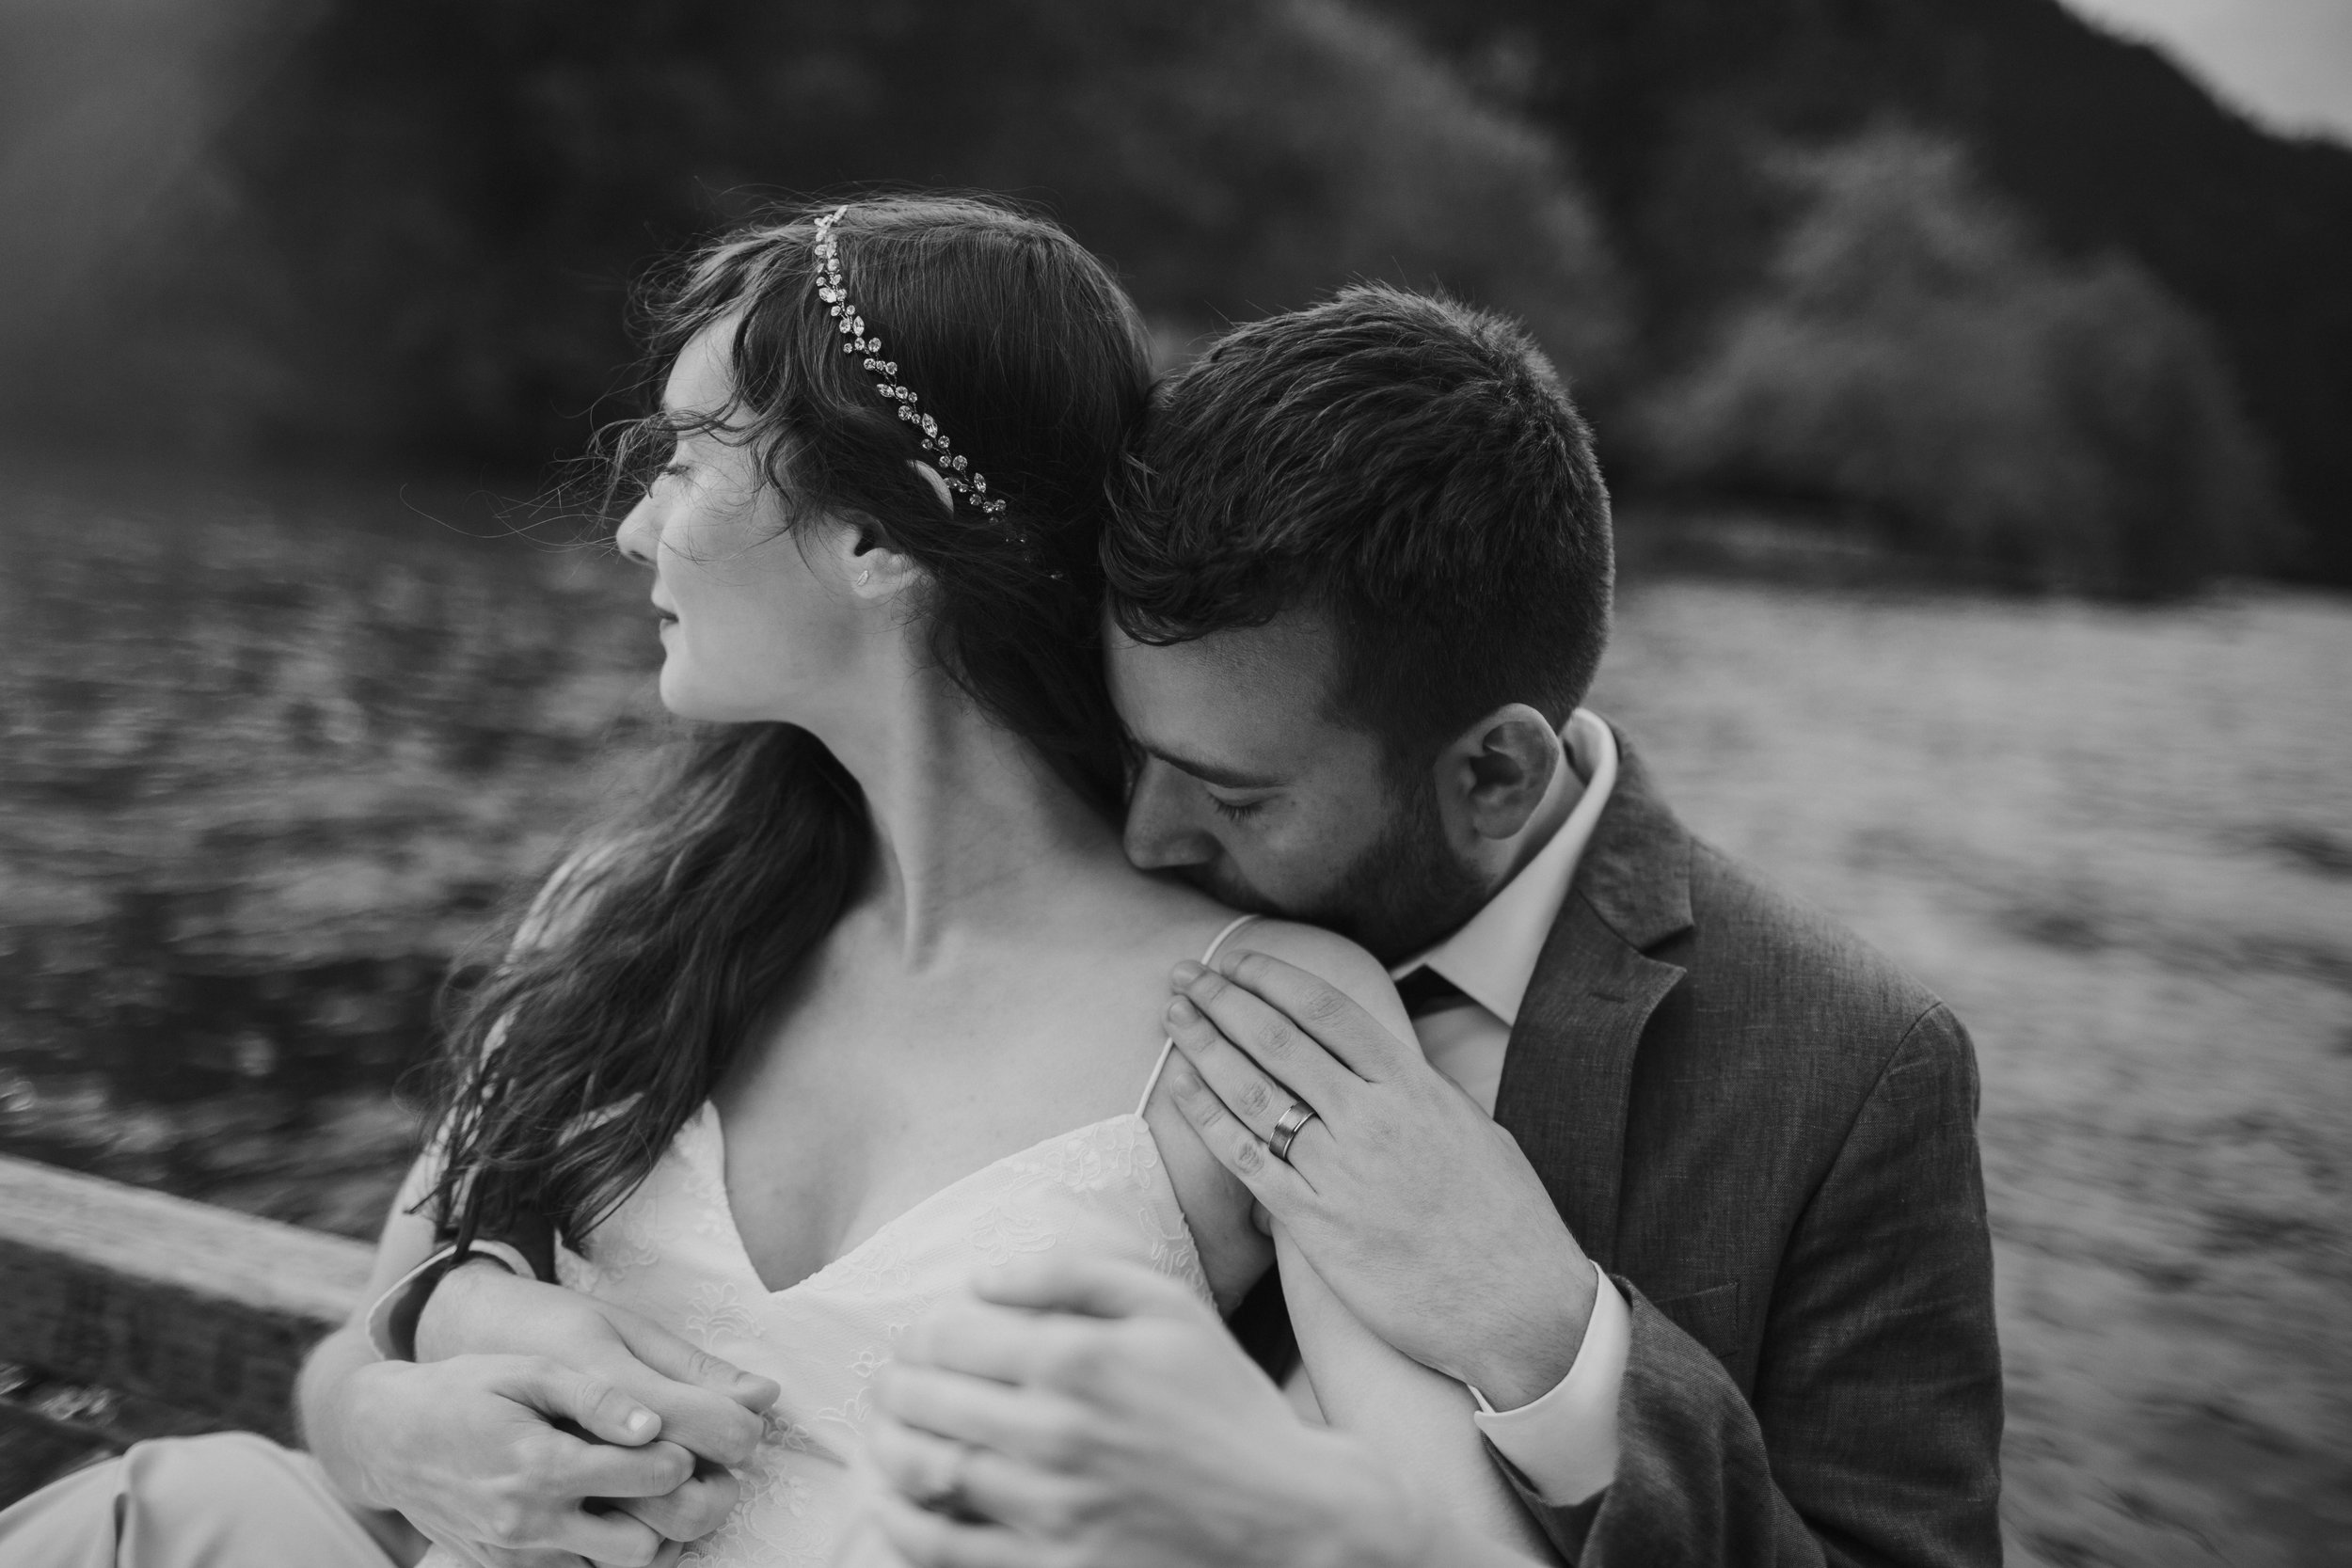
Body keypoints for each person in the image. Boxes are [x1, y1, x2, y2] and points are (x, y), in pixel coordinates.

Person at [0, 200, 1564, 1568]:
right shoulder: (632, 909)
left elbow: (1448, 1540)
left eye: (685, 459)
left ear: (882, 534)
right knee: (168, 1514)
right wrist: (405, 1435)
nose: (634, 527)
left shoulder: (1262, 1018)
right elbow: (360, 1354)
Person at [857, 285, 2007, 1566]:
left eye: (1237, 797)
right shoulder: (1038, 859)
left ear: (1496, 776)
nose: (1147, 841)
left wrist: (1552, 1343)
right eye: (1140, 754)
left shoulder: (1853, 1071)